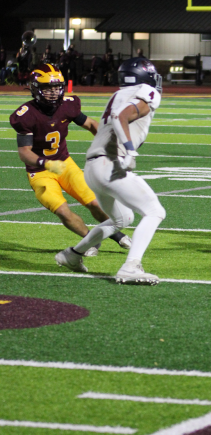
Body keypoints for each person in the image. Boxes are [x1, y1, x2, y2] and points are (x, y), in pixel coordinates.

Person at [55, 57, 166, 285]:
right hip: (110, 163)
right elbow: (120, 117)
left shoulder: (118, 93)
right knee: (155, 211)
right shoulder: (147, 91)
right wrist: (129, 150)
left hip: (92, 167)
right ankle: (131, 266)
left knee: (122, 218)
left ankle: (72, 255)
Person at [9, 63, 131, 256]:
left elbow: (90, 123)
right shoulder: (25, 115)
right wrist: (46, 163)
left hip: (65, 164)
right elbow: (25, 152)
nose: (53, 92)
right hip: (40, 173)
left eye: (56, 87)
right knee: (63, 211)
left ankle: (118, 236)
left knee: (94, 203)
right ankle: (89, 241)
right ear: (35, 88)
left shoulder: (67, 104)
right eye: (47, 88)